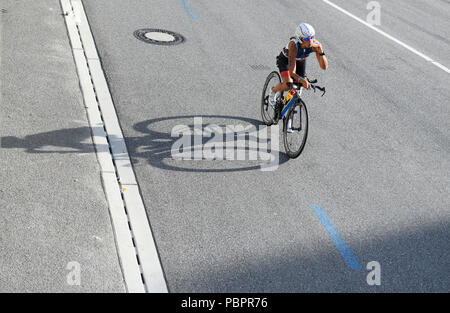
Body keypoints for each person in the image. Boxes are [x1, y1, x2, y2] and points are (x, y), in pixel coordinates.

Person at [269, 23, 328, 107]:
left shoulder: (315, 45)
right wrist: (302, 80)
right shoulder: (293, 46)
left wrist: (321, 52)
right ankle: (273, 91)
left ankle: (289, 109)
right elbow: (292, 72)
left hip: (300, 61)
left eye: (312, 37)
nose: (310, 41)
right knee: (288, 84)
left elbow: (324, 67)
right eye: (307, 38)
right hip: (286, 60)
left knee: (298, 87)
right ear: (300, 38)